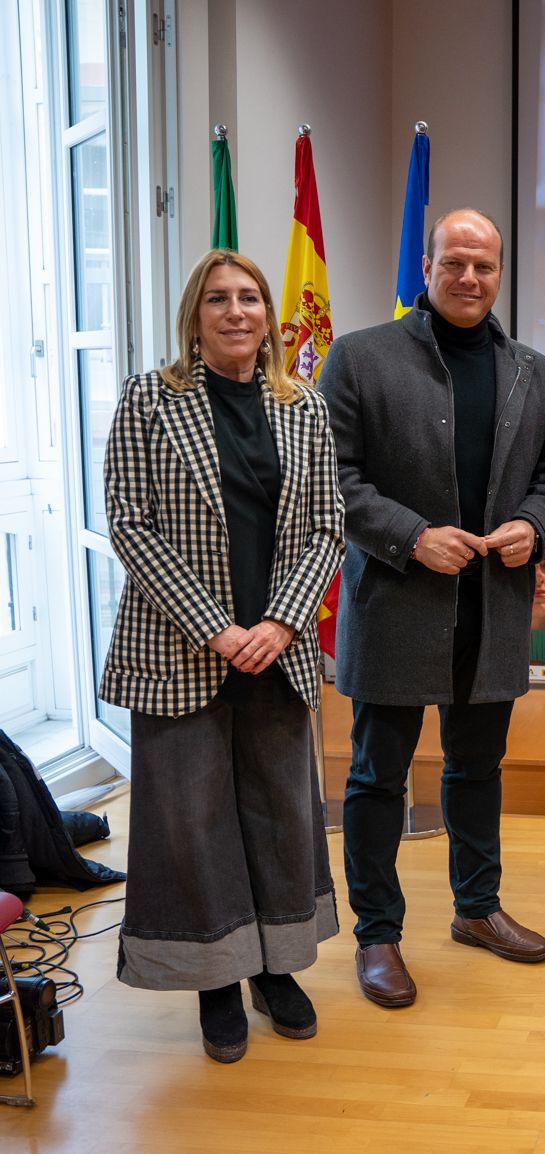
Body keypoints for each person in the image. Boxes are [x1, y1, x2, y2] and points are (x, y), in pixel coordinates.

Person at [101, 249, 343, 1062]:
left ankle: (276, 969)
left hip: (276, 652)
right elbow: (129, 521)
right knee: (192, 824)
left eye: (249, 298)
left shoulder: (301, 404)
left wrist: (278, 623)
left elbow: (326, 526)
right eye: (217, 299)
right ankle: (216, 981)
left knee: (279, 819)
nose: (236, 311)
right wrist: (214, 626)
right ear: (193, 315)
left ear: (270, 315)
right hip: (179, 649)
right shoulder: (148, 399)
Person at [321, 209, 545, 1007]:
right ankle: (378, 935)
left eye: (484, 267)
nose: (469, 279)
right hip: (395, 597)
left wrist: (534, 523)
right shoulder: (359, 356)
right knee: (376, 776)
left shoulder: (531, 367)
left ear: (500, 275)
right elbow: (335, 479)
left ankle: (477, 910)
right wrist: (414, 536)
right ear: (425, 267)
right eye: (454, 263)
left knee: (475, 768)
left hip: (490, 606)